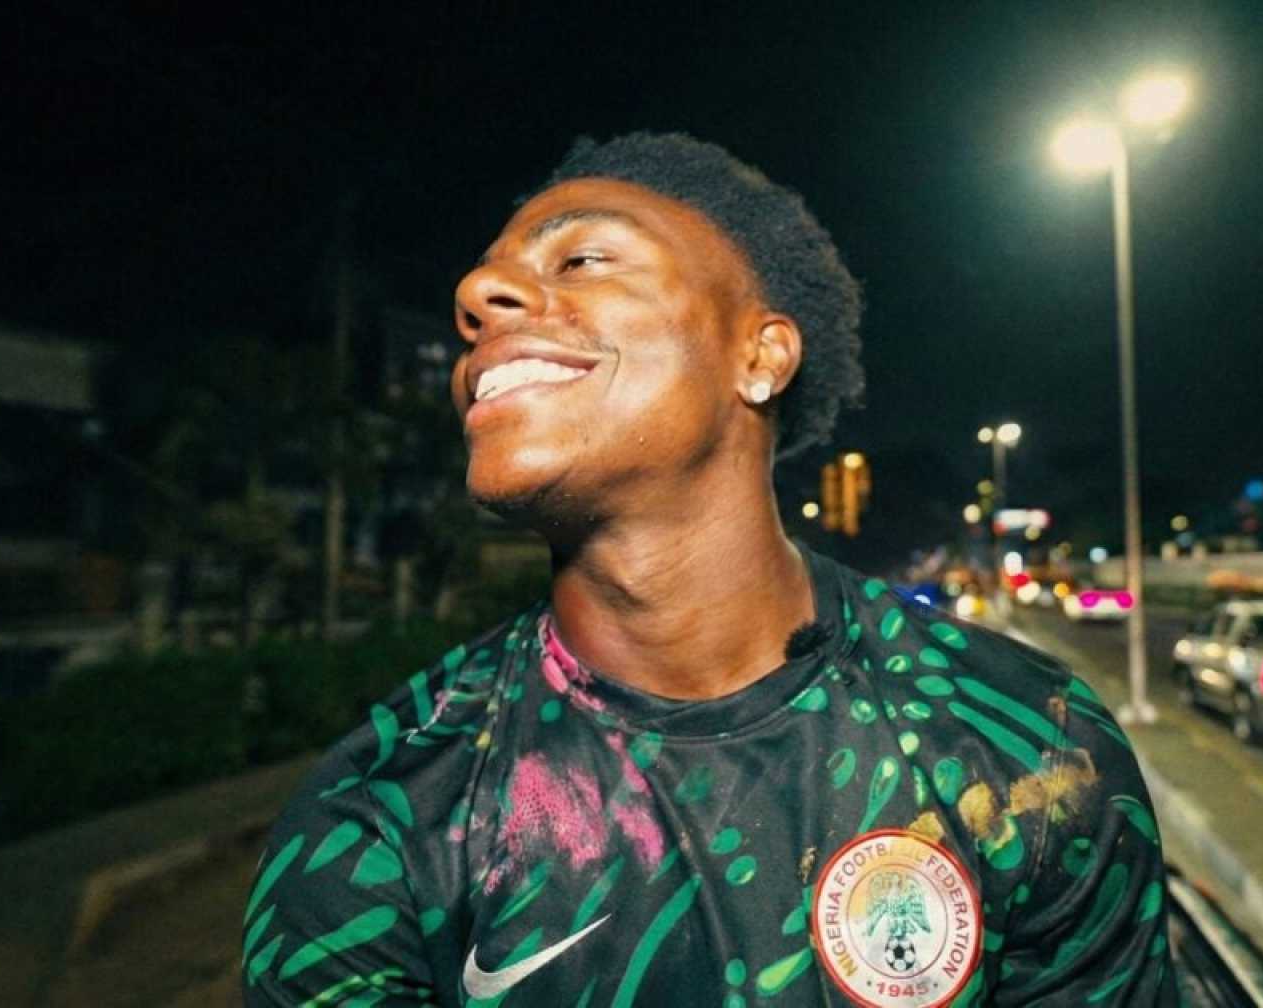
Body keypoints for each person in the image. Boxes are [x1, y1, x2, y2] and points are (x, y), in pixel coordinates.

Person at [243, 133, 1175, 1007]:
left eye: (582, 259)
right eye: (485, 281)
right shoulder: (379, 815)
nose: (478, 293)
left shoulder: (1029, 748)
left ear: (759, 355)